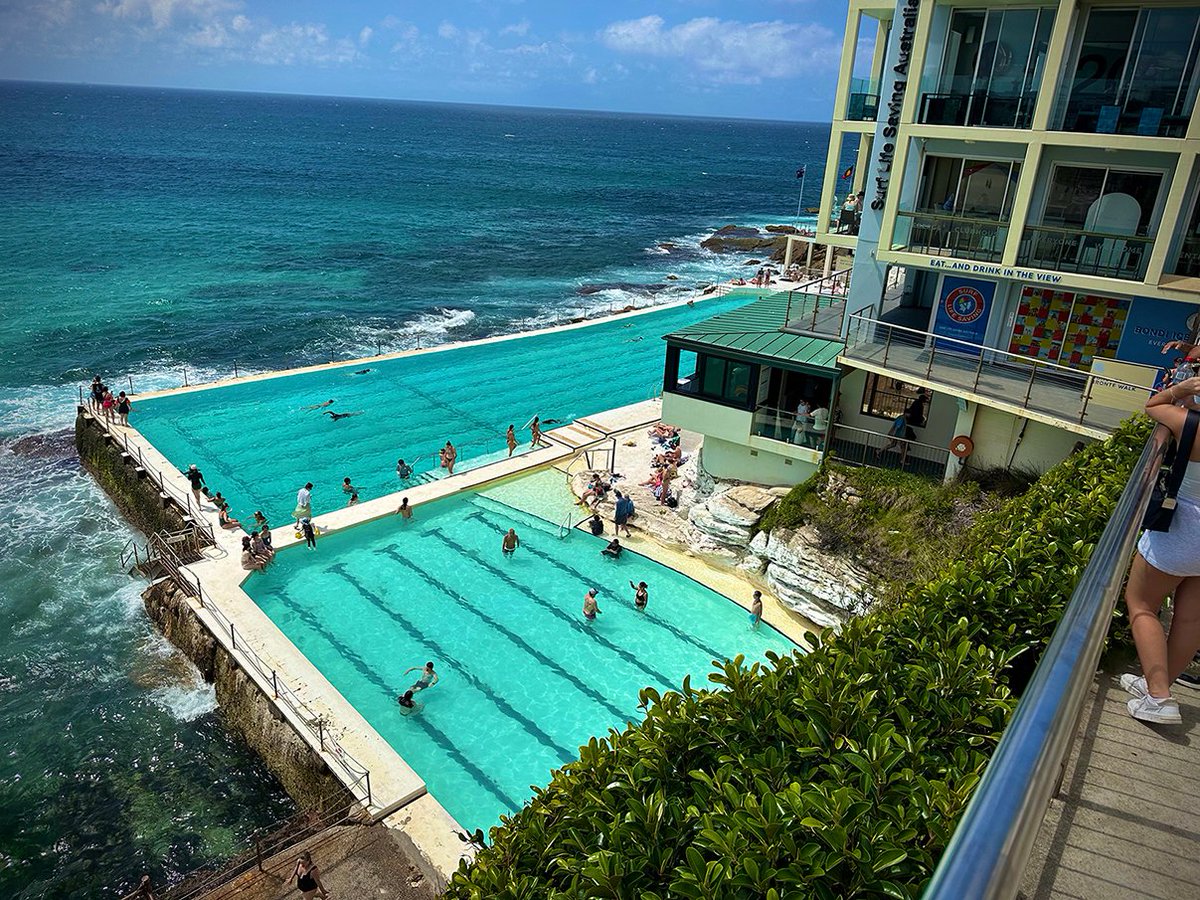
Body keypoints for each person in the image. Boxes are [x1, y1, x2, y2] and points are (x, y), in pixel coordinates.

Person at [1119, 375, 1200, 724]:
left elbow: (1153, 406)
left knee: (1141, 606)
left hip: (1183, 531)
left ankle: (1159, 697)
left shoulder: (1189, 424)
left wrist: (1180, 391)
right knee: (1191, 619)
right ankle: (1155, 683)